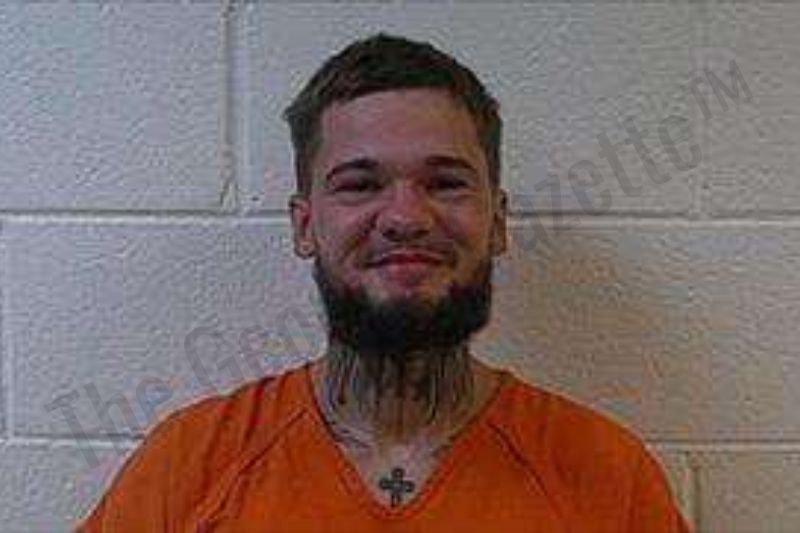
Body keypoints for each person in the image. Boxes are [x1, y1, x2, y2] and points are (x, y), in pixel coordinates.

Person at [78, 33, 690, 532]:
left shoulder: (608, 477)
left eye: (445, 183)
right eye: (360, 184)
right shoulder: (188, 468)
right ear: (305, 225)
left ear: (498, 222)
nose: (405, 218)